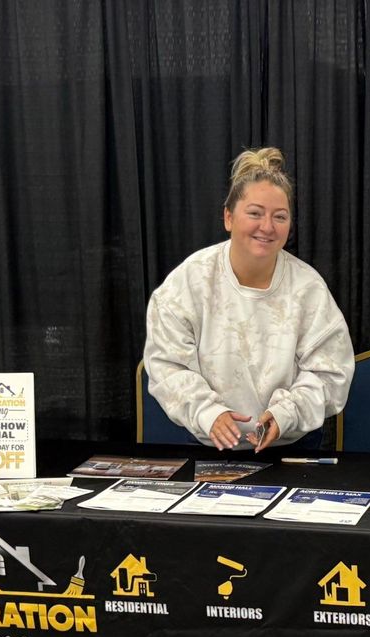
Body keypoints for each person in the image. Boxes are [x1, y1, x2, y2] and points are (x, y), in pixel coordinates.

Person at [143, 147, 354, 451]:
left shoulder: (308, 289)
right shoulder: (189, 282)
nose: (267, 227)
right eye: (255, 213)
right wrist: (209, 412)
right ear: (228, 217)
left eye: (279, 217)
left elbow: (330, 372)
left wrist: (286, 414)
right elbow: (167, 365)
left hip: (291, 448)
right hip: (209, 448)